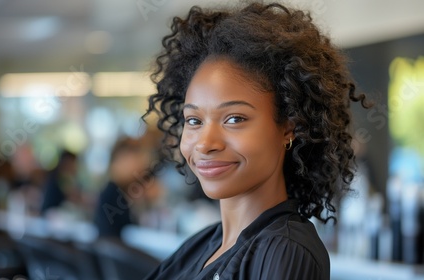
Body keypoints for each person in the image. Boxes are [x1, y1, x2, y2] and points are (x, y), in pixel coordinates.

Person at [143, 2, 370, 279]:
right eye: (194, 121)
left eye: (235, 119)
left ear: (289, 127)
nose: (205, 143)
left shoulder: (284, 250)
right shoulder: (201, 245)